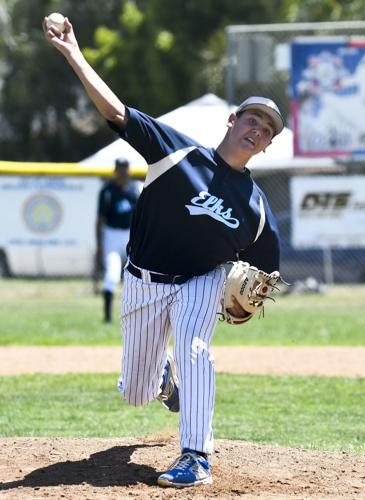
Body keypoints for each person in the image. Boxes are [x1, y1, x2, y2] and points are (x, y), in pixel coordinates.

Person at [43, 16, 283, 489]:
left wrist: (249, 298)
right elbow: (115, 112)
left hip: (200, 282)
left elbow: (268, 272)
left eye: (268, 129)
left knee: (196, 347)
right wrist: (73, 52)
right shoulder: (178, 153)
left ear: (268, 144)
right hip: (143, 281)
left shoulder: (256, 209)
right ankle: (163, 382)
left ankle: (196, 456)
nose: (257, 129)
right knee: (136, 392)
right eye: (252, 118)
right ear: (232, 120)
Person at [96, 157, 140, 323]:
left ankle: (135, 315)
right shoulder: (107, 191)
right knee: (112, 274)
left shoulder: (136, 189)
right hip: (112, 234)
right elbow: (100, 219)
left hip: (131, 235)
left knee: (136, 277)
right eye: (120, 168)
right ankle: (107, 317)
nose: (123, 171)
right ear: (115, 170)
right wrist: (100, 245)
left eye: (125, 168)